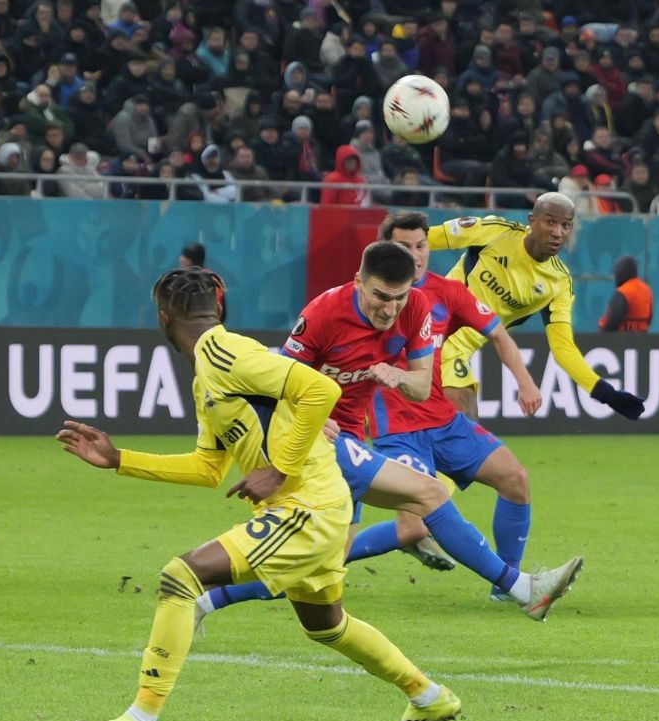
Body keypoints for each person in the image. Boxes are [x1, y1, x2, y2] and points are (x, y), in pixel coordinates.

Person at [59, 268, 461, 721]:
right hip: (321, 501)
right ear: (219, 307)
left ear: (163, 318)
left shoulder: (226, 352)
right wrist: (121, 460)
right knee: (327, 624)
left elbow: (321, 391)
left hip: (306, 503)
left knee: (180, 578)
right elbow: (209, 468)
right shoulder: (207, 373)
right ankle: (429, 695)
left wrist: (279, 469)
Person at [198, 242, 583, 622]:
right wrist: (310, 413)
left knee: (325, 564)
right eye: (380, 296)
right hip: (315, 439)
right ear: (358, 283)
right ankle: (523, 590)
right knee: (428, 493)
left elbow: (420, 386)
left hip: (349, 435)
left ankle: (203, 599)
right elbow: (276, 382)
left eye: (397, 298)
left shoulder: (416, 307)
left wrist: (399, 376)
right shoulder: (322, 314)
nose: (389, 308)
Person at [349, 212, 544, 600]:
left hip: (443, 421)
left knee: (515, 480)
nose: (416, 255)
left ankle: (506, 587)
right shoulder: (366, 298)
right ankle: (321, 559)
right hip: (397, 431)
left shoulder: (447, 293)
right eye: (405, 247)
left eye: (422, 246)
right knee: (415, 527)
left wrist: (525, 381)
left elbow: (497, 333)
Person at [427, 193, 646, 422]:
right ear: (532, 221)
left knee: (465, 432)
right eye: (550, 222)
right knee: (457, 432)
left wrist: (607, 394)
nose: (558, 232)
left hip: (455, 352)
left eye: (565, 225)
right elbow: (424, 240)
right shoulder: (495, 232)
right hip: (425, 329)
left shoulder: (558, 283)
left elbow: (563, 349)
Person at [598, 256, 654, 332]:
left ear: (620, 273)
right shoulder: (647, 290)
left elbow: (612, 322)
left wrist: (602, 335)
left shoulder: (624, 291)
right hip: (642, 338)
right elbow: (649, 318)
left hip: (623, 339)